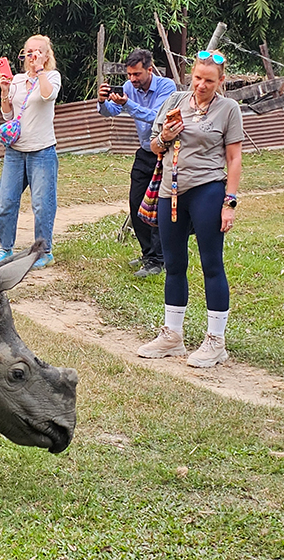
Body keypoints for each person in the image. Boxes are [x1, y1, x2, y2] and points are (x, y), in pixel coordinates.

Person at [137, 50, 243, 368]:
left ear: (221, 81)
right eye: (197, 78)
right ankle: (172, 335)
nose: (201, 85)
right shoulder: (176, 102)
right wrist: (165, 136)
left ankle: (216, 341)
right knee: (174, 263)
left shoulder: (228, 109)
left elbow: (234, 158)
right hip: (172, 190)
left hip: (207, 188)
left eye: (209, 81)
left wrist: (230, 202)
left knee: (211, 263)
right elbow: (154, 146)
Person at [97, 48, 177, 278]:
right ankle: (147, 254)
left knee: (158, 206)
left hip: (165, 151)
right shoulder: (129, 88)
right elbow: (111, 111)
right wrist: (102, 101)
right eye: (129, 75)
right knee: (136, 203)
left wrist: (128, 105)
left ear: (149, 70)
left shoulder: (167, 87)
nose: (132, 79)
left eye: (137, 74)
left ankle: (158, 260)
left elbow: (156, 116)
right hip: (144, 151)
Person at [0, 35, 60, 269]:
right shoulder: (18, 80)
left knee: (42, 204)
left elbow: (46, 95)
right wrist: (4, 91)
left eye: (37, 52)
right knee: (5, 201)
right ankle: (5, 248)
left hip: (42, 150)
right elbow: (9, 115)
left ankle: (44, 252)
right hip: (15, 151)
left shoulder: (52, 76)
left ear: (46, 54)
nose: (31, 56)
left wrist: (40, 70)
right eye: (28, 52)